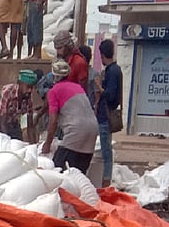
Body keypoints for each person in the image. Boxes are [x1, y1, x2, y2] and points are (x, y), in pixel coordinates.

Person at [42, 59, 98, 174]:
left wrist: (47, 144)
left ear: (54, 76)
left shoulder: (54, 91)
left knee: (58, 171)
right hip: (93, 130)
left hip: (76, 130)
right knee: (79, 174)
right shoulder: (78, 87)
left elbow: (53, 121)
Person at [94, 39, 123, 188]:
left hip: (105, 117)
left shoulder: (112, 72)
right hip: (105, 115)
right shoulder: (115, 70)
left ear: (103, 54)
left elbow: (110, 95)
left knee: (106, 153)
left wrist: (99, 87)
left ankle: (105, 183)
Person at [0, 69, 36, 140]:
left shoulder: (28, 98)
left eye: (31, 88)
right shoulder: (7, 92)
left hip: (11, 121)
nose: (30, 90)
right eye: (28, 87)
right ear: (20, 84)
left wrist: (32, 144)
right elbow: (2, 121)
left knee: (18, 141)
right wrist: (7, 139)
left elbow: (30, 125)